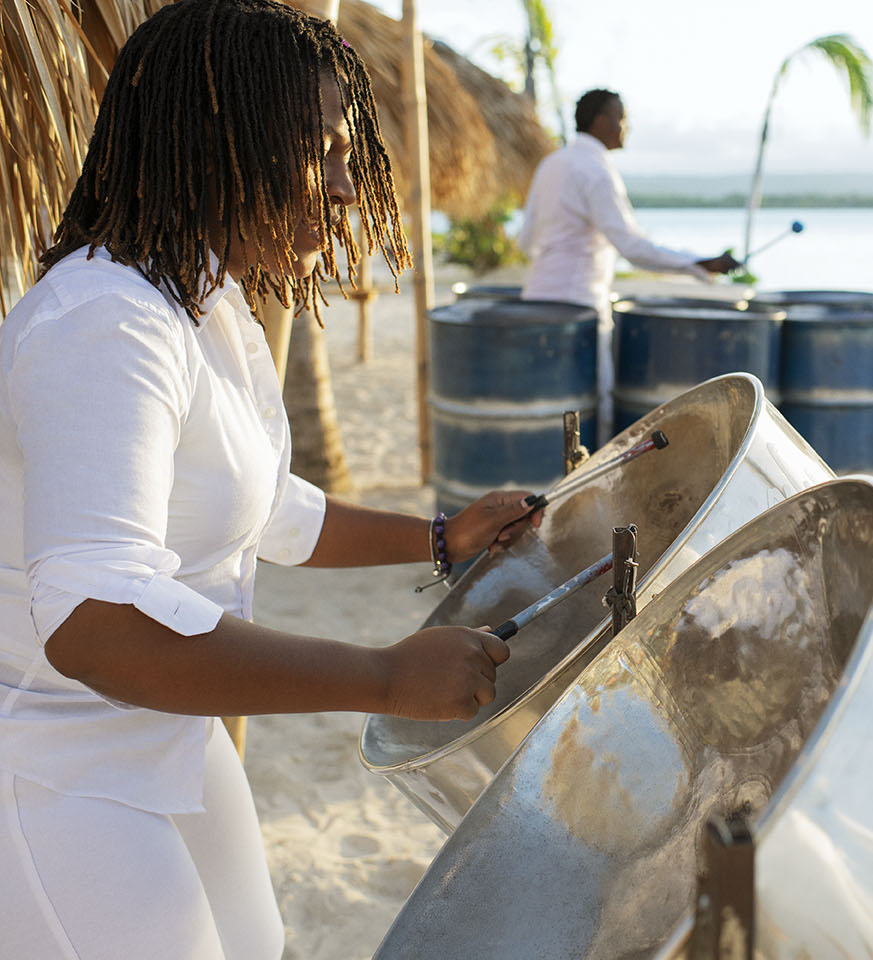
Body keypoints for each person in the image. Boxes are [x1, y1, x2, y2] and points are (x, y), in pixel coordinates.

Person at [0, 2, 542, 957]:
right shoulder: (103, 323)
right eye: (322, 150)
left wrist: (439, 536)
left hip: (166, 734)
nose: (345, 187)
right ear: (222, 139)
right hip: (56, 761)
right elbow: (93, 625)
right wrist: (381, 677)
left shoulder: (202, 302)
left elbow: (270, 510)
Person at [517, 89, 740, 435]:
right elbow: (633, 247)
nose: (626, 126)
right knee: (593, 408)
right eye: (622, 118)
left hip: (534, 303)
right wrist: (700, 263)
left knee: (544, 408)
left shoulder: (551, 164)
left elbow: (526, 239)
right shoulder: (596, 171)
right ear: (602, 121)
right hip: (578, 308)